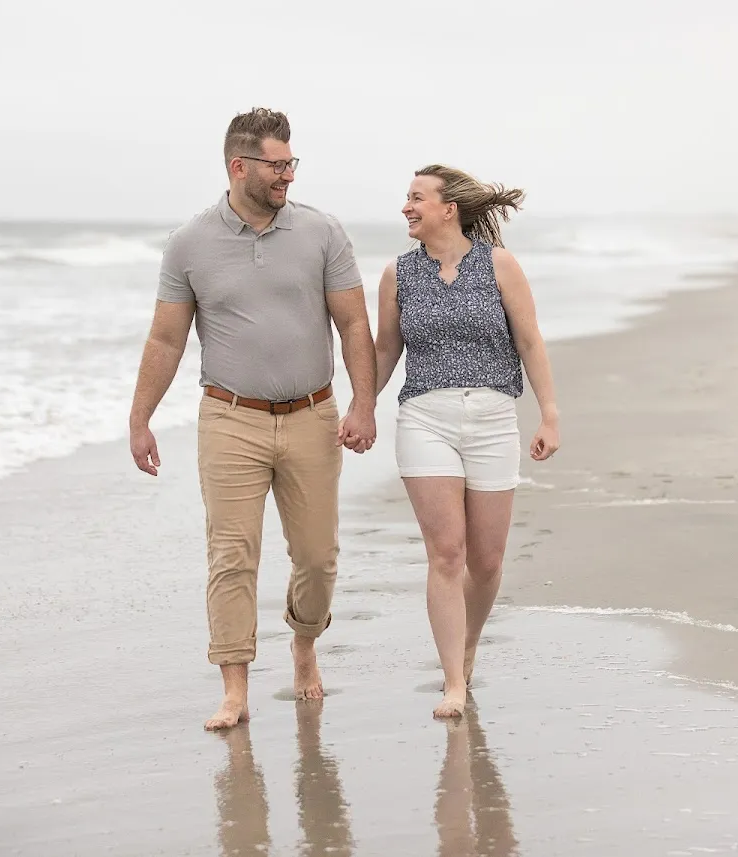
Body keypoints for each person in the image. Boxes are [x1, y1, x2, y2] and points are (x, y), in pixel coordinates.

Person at [128, 107, 377, 732]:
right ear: (239, 166)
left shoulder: (323, 232)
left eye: (292, 162)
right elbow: (165, 341)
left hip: (311, 416)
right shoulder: (188, 243)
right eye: (277, 164)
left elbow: (352, 322)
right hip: (229, 417)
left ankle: (303, 644)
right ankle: (234, 688)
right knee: (232, 555)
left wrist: (362, 402)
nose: (287, 174)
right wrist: (140, 420)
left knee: (317, 558)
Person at [368, 164, 560, 719]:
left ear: (448, 208)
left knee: (488, 559)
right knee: (446, 553)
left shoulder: (499, 265)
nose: (406, 207)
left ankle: (468, 644)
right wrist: (361, 406)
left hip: (495, 415)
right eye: (406, 198)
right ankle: (453, 679)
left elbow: (529, 340)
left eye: (417, 198)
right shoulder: (398, 274)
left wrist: (549, 414)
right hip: (425, 416)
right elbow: (385, 352)